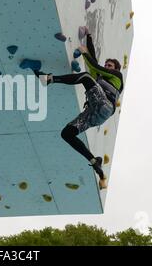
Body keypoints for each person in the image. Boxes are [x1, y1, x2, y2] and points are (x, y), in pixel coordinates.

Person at [34, 28, 124, 189]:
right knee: (67, 133)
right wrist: (89, 36)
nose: (106, 66)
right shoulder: (100, 77)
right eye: (106, 64)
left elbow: (96, 66)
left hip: (105, 106)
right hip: (94, 114)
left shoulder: (117, 76)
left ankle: (49, 79)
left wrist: (84, 53)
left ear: (115, 69)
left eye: (109, 65)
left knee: (86, 77)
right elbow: (95, 61)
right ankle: (93, 160)